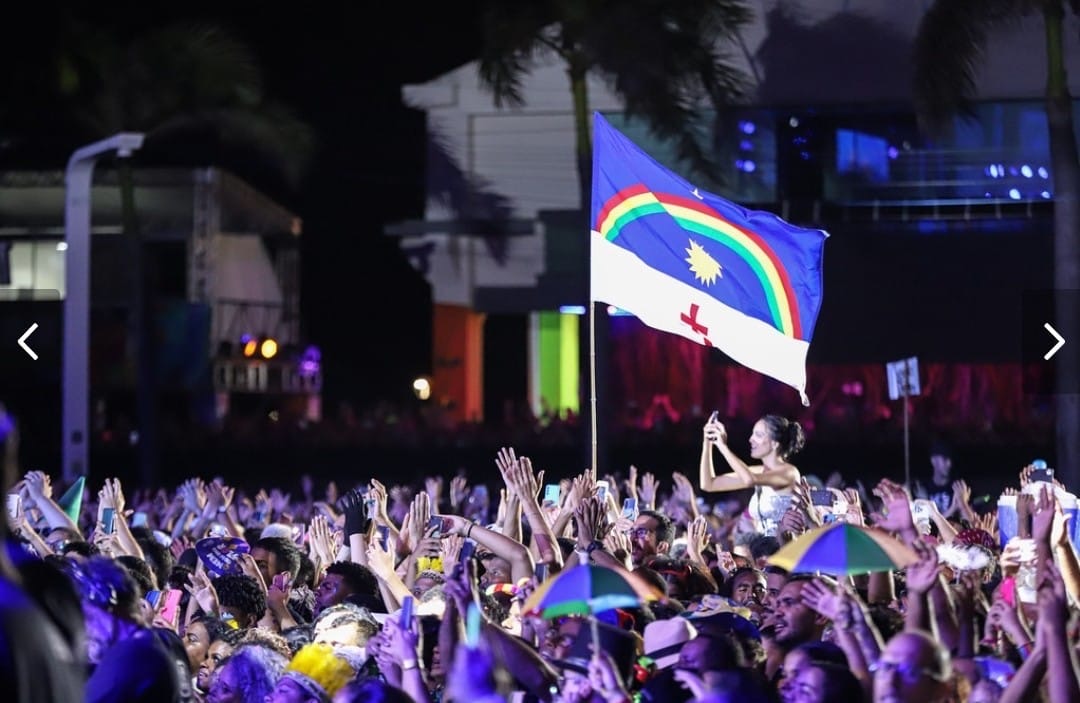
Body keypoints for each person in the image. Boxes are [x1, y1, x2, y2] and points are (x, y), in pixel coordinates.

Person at [67, 556, 188, 702]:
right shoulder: (168, 639)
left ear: (108, 600)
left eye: (87, 617)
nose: (84, 629)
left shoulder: (127, 658)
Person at [699, 413, 805, 535]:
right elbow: (709, 484)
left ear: (775, 443)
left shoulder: (789, 472)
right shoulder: (760, 472)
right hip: (763, 550)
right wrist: (708, 443)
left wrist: (723, 446)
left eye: (758, 435)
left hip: (787, 549)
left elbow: (750, 479)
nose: (751, 439)